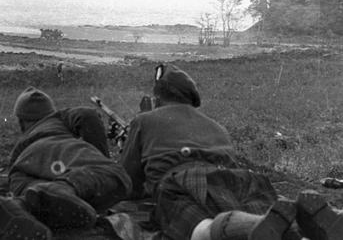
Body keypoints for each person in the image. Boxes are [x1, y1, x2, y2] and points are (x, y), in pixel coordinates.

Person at [118, 64, 342, 240]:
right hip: (244, 179)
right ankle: (312, 229)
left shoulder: (144, 119)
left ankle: (250, 227)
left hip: (183, 181)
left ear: (157, 97)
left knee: (200, 228)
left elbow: (128, 182)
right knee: (274, 220)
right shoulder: (217, 126)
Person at [0, 86, 132, 240]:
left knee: (39, 197)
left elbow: (14, 172)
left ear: (21, 121)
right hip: (58, 147)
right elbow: (88, 114)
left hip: (20, 169)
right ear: (50, 111)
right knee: (117, 175)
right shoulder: (57, 118)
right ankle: (61, 188)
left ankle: (20, 206)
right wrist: (100, 159)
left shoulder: (21, 145)